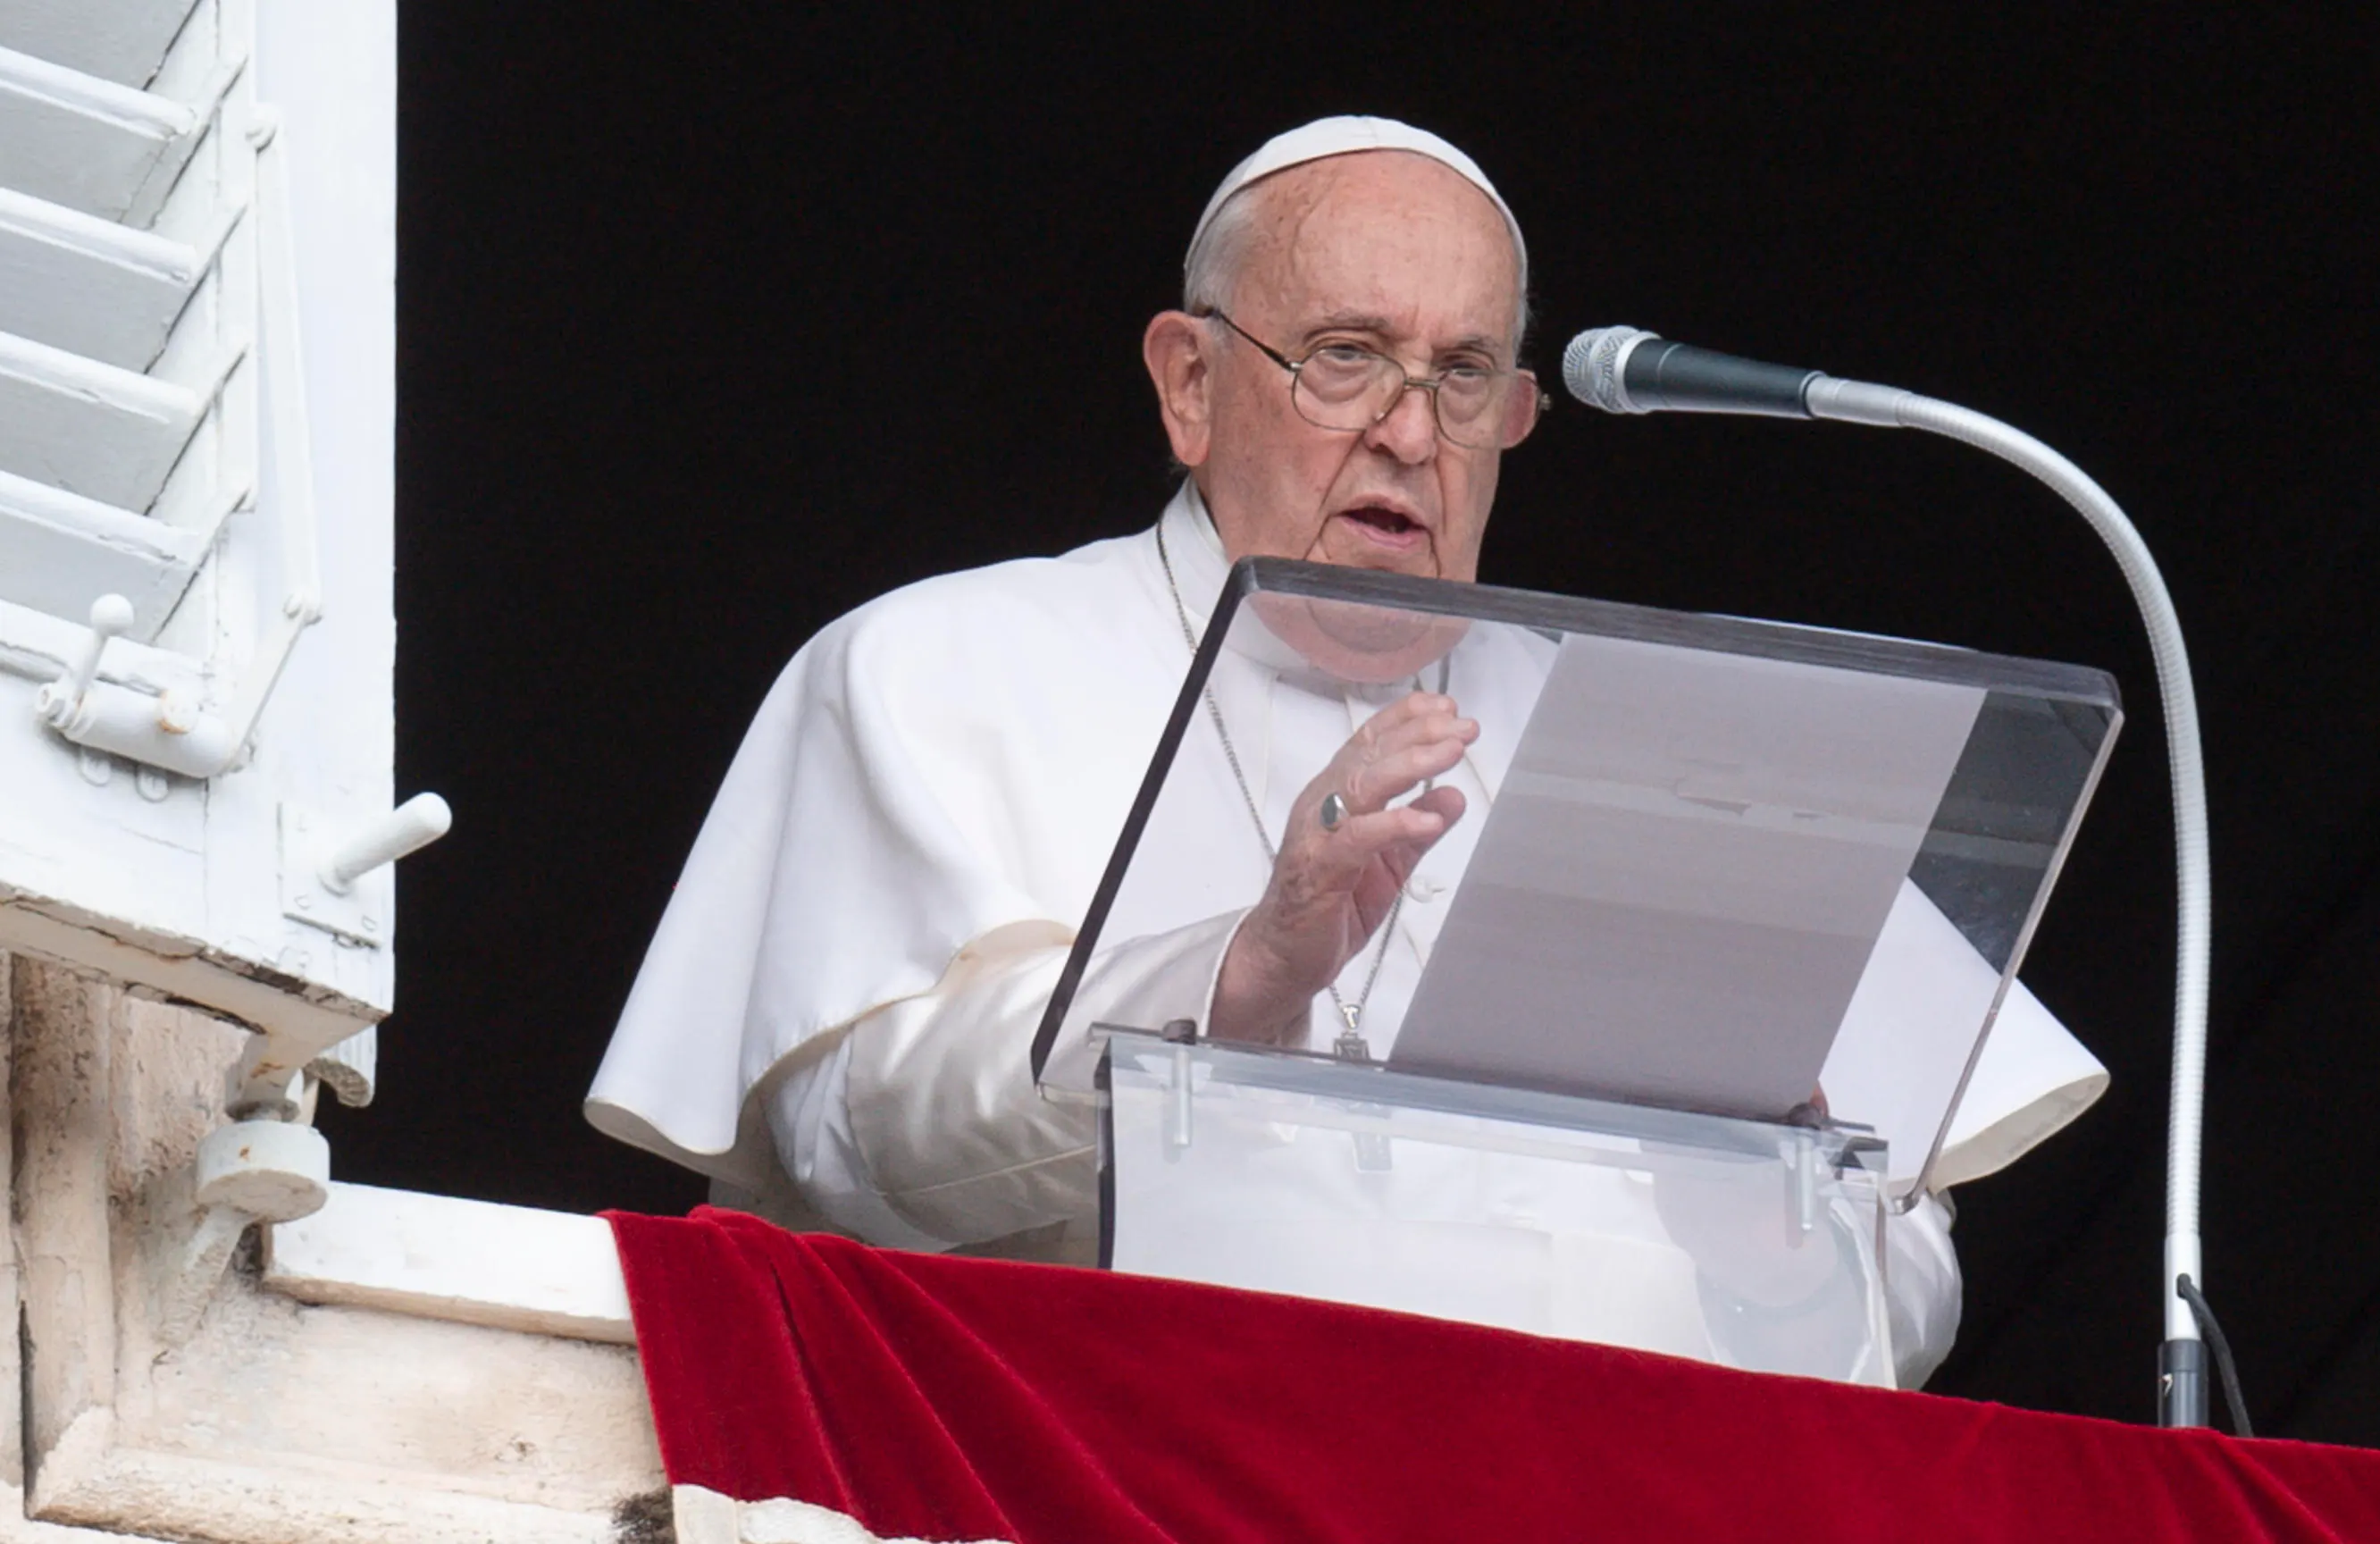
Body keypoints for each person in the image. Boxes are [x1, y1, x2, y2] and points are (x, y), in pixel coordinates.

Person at [586, 117, 2106, 1387]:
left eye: (1462, 376)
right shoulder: (936, 665)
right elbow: (847, 1147)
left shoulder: (1679, 753)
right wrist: (1230, 987)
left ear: (1517, 417)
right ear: (1190, 383)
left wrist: (1780, 1249)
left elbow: (1908, 1284)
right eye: (1344, 355)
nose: (1406, 430)